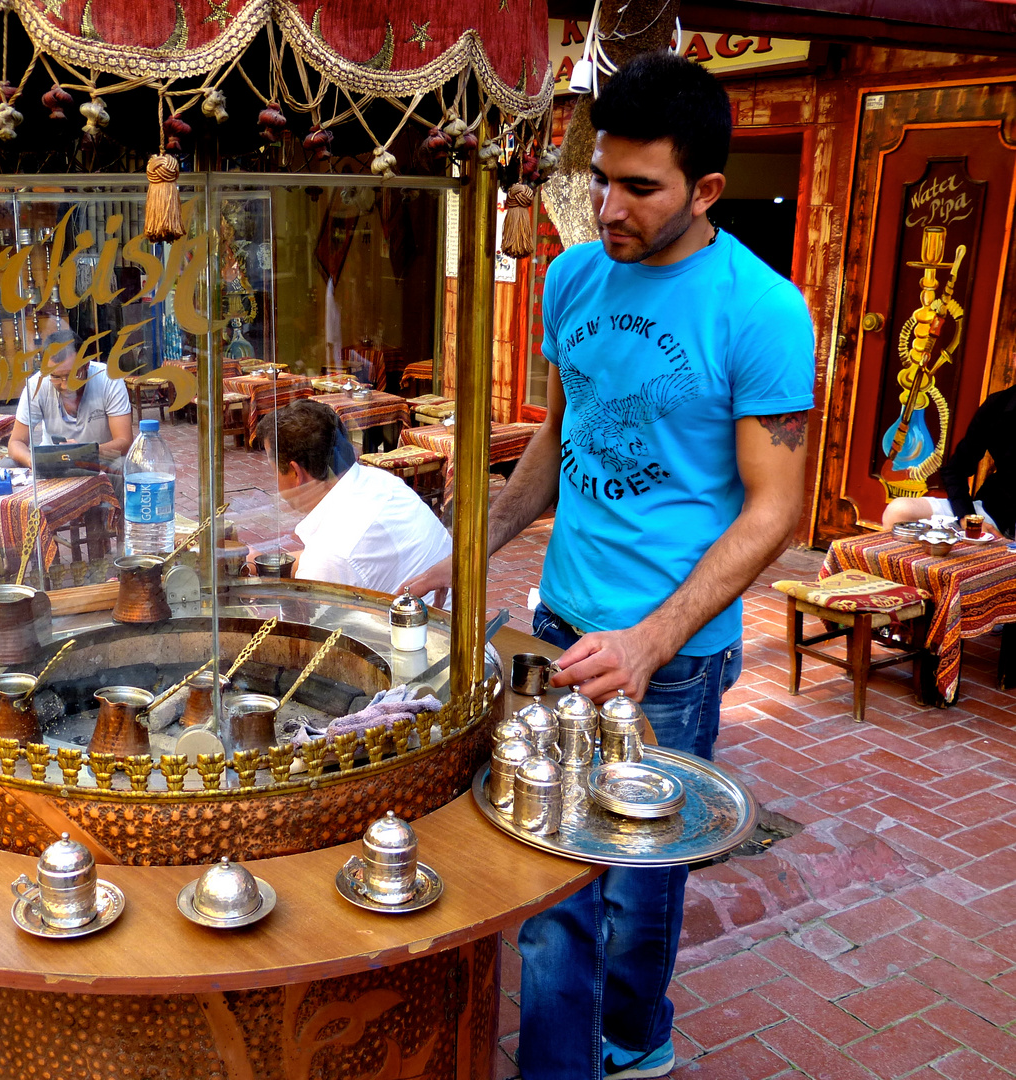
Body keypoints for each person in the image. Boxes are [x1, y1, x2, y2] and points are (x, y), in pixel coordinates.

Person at [403, 52, 814, 1079]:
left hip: (670, 661)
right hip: (557, 632)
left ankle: (635, 1032)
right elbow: (561, 435)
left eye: (640, 188)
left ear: (705, 191)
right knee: (553, 887)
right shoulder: (572, 276)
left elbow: (778, 509)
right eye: (601, 179)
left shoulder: (761, 311)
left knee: (638, 887)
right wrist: (473, 548)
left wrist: (651, 640)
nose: (609, 207)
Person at [264, 399, 452, 599]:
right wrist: (266, 564)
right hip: (446, 619)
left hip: (420, 628)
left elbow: (311, 624)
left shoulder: (329, 554)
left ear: (295, 472)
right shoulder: (381, 481)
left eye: (272, 467)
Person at [882, 383, 1015, 539]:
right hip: (998, 514)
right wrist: (966, 517)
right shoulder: (998, 405)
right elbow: (955, 470)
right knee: (899, 512)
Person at [7, 329, 133, 469]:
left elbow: (124, 441)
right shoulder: (36, 386)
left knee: (124, 466)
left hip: (98, 459)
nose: (65, 385)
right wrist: (34, 462)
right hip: (54, 463)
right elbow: (16, 442)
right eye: (55, 377)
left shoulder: (108, 380)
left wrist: (83, 452)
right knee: (7, 465)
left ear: (86, 365)